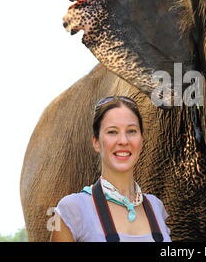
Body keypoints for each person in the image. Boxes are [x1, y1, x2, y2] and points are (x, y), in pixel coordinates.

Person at [50, 96, 172, 242]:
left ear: (141, 141)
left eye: (131, 131)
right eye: (112, 132)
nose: (123, 141)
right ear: (96, 142)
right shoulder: (72, 209)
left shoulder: (156, 207)